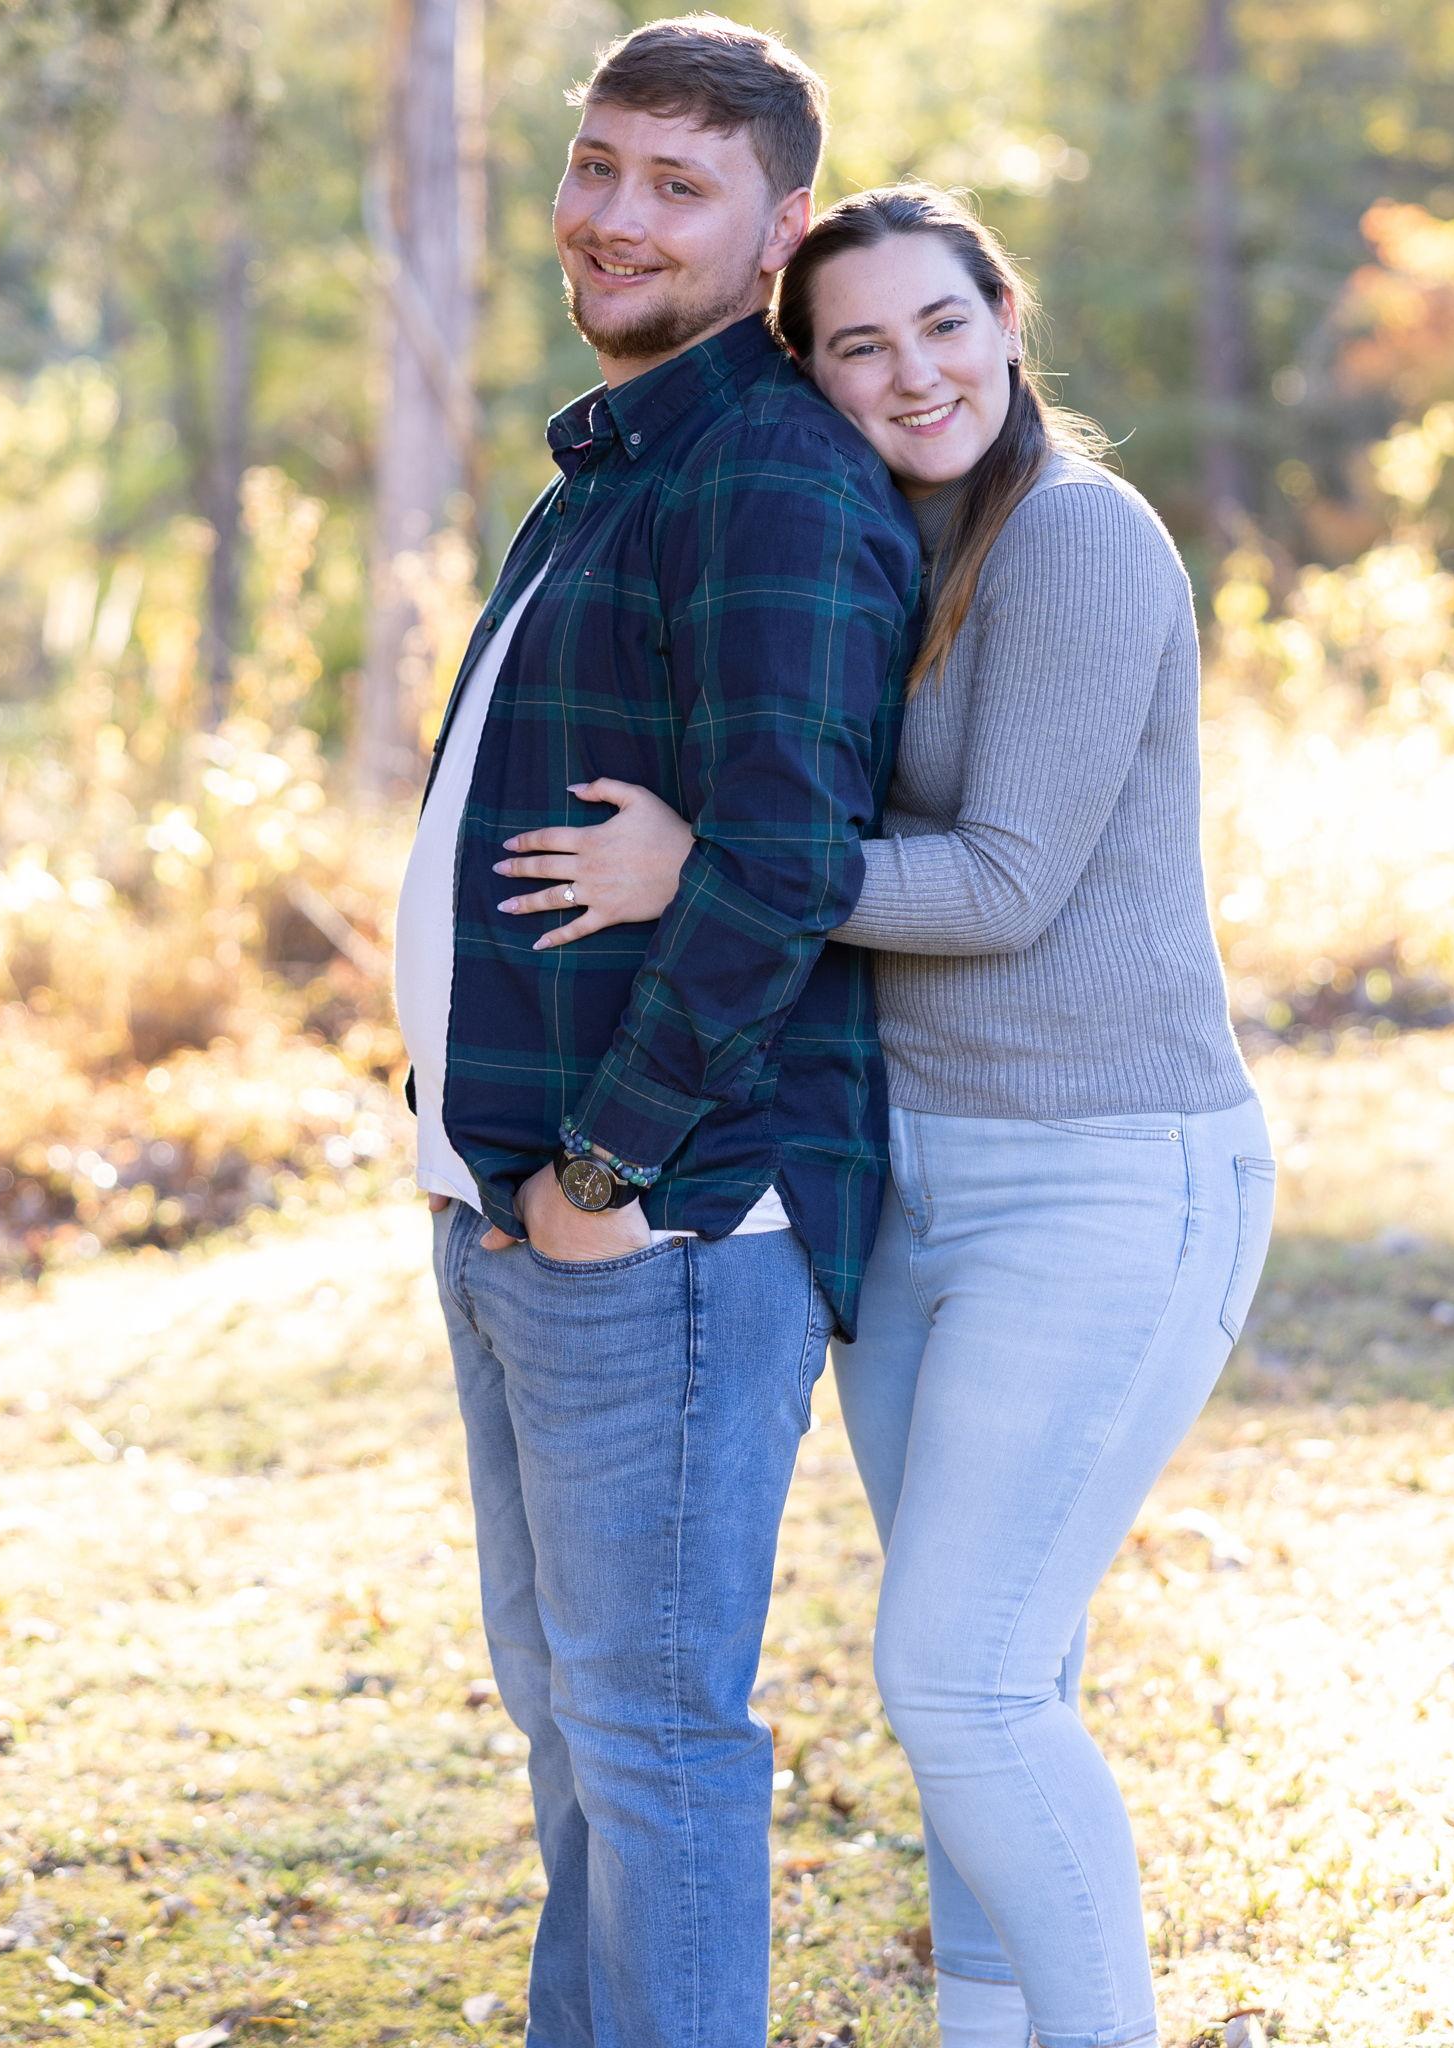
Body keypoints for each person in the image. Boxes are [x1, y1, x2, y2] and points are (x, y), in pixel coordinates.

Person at [496, 185, 1276, 2048]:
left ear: (1007, 317)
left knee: (966, 1683)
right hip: (924, 1193)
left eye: (940, 324)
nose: (909, 372)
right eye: (856, 345)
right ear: (814, 375)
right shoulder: (900, 542)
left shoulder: (1081, 540)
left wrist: (720, 870)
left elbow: (1003, 885)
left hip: (1109, 1177)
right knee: (997, 1679)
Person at [391, 20, 921, 2046]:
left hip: (659, 1222)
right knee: (579, 1728)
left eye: (675, 186)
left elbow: (785, 867)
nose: (614, 213)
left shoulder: (768, 479)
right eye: (599, 165)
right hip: (524, 1201)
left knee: (651, 1736)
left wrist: (602, 1171)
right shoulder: (624, 457)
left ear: (778, 229)